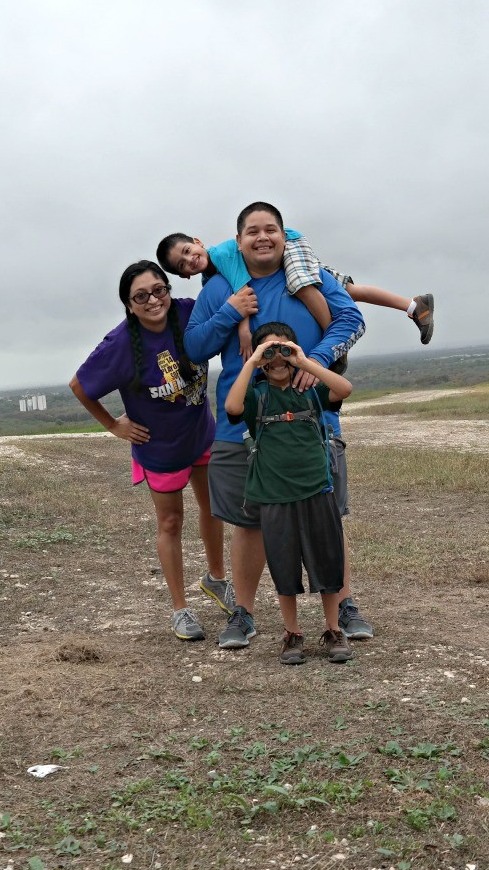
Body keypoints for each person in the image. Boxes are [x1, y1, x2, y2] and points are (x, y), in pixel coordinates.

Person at [183, 201, 372, 650]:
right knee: (248, 524)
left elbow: (352, 319)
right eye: (252, 231)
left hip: (312, 420)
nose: (262, 237)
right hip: (242, 427)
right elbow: (194, 346)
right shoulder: (221, 287)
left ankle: (343, 606)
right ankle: (243, 614)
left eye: (271, 230)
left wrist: (318, 359)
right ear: (238, 240)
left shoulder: (310, 279)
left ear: (286, 237)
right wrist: (230, 310)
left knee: (327, 517)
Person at [69, 261, 233, 641]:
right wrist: (113, 425)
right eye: (140, 296)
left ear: (168, 289)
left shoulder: (190, 312)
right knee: (171, 522)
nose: (153, 300)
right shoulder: (120, 344)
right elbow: (80, 385)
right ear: (129, 304)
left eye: (159, 290)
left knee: (213, 508)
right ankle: (180, 608)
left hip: (201, 433)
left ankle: (217, 579)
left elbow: (228, 297)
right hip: (158, 447)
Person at [225, 322, 354, 664]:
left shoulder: (310, 391)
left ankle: (332, 629)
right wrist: (252, 363)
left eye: (284, 349)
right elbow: (233, 407)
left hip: (317, 488)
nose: (277, 358)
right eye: (269, 351)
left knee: (327, 562)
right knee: (283, 565)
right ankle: (292, 632)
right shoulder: (258, 396)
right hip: (275, 495)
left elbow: (344, 388)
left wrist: (306, 362)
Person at [157, 228, 434, 359]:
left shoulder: (223, 255)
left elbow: (242, 292)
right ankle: (413, 306)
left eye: (187, 251)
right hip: (280, 247)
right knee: (347, 290)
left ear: (197, 242)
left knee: (302, 285)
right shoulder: (211, 278)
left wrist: (243, 330)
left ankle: (332, 343)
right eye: (182, 265)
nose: (190, 260)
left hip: (286, 243)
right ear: (184, 276)